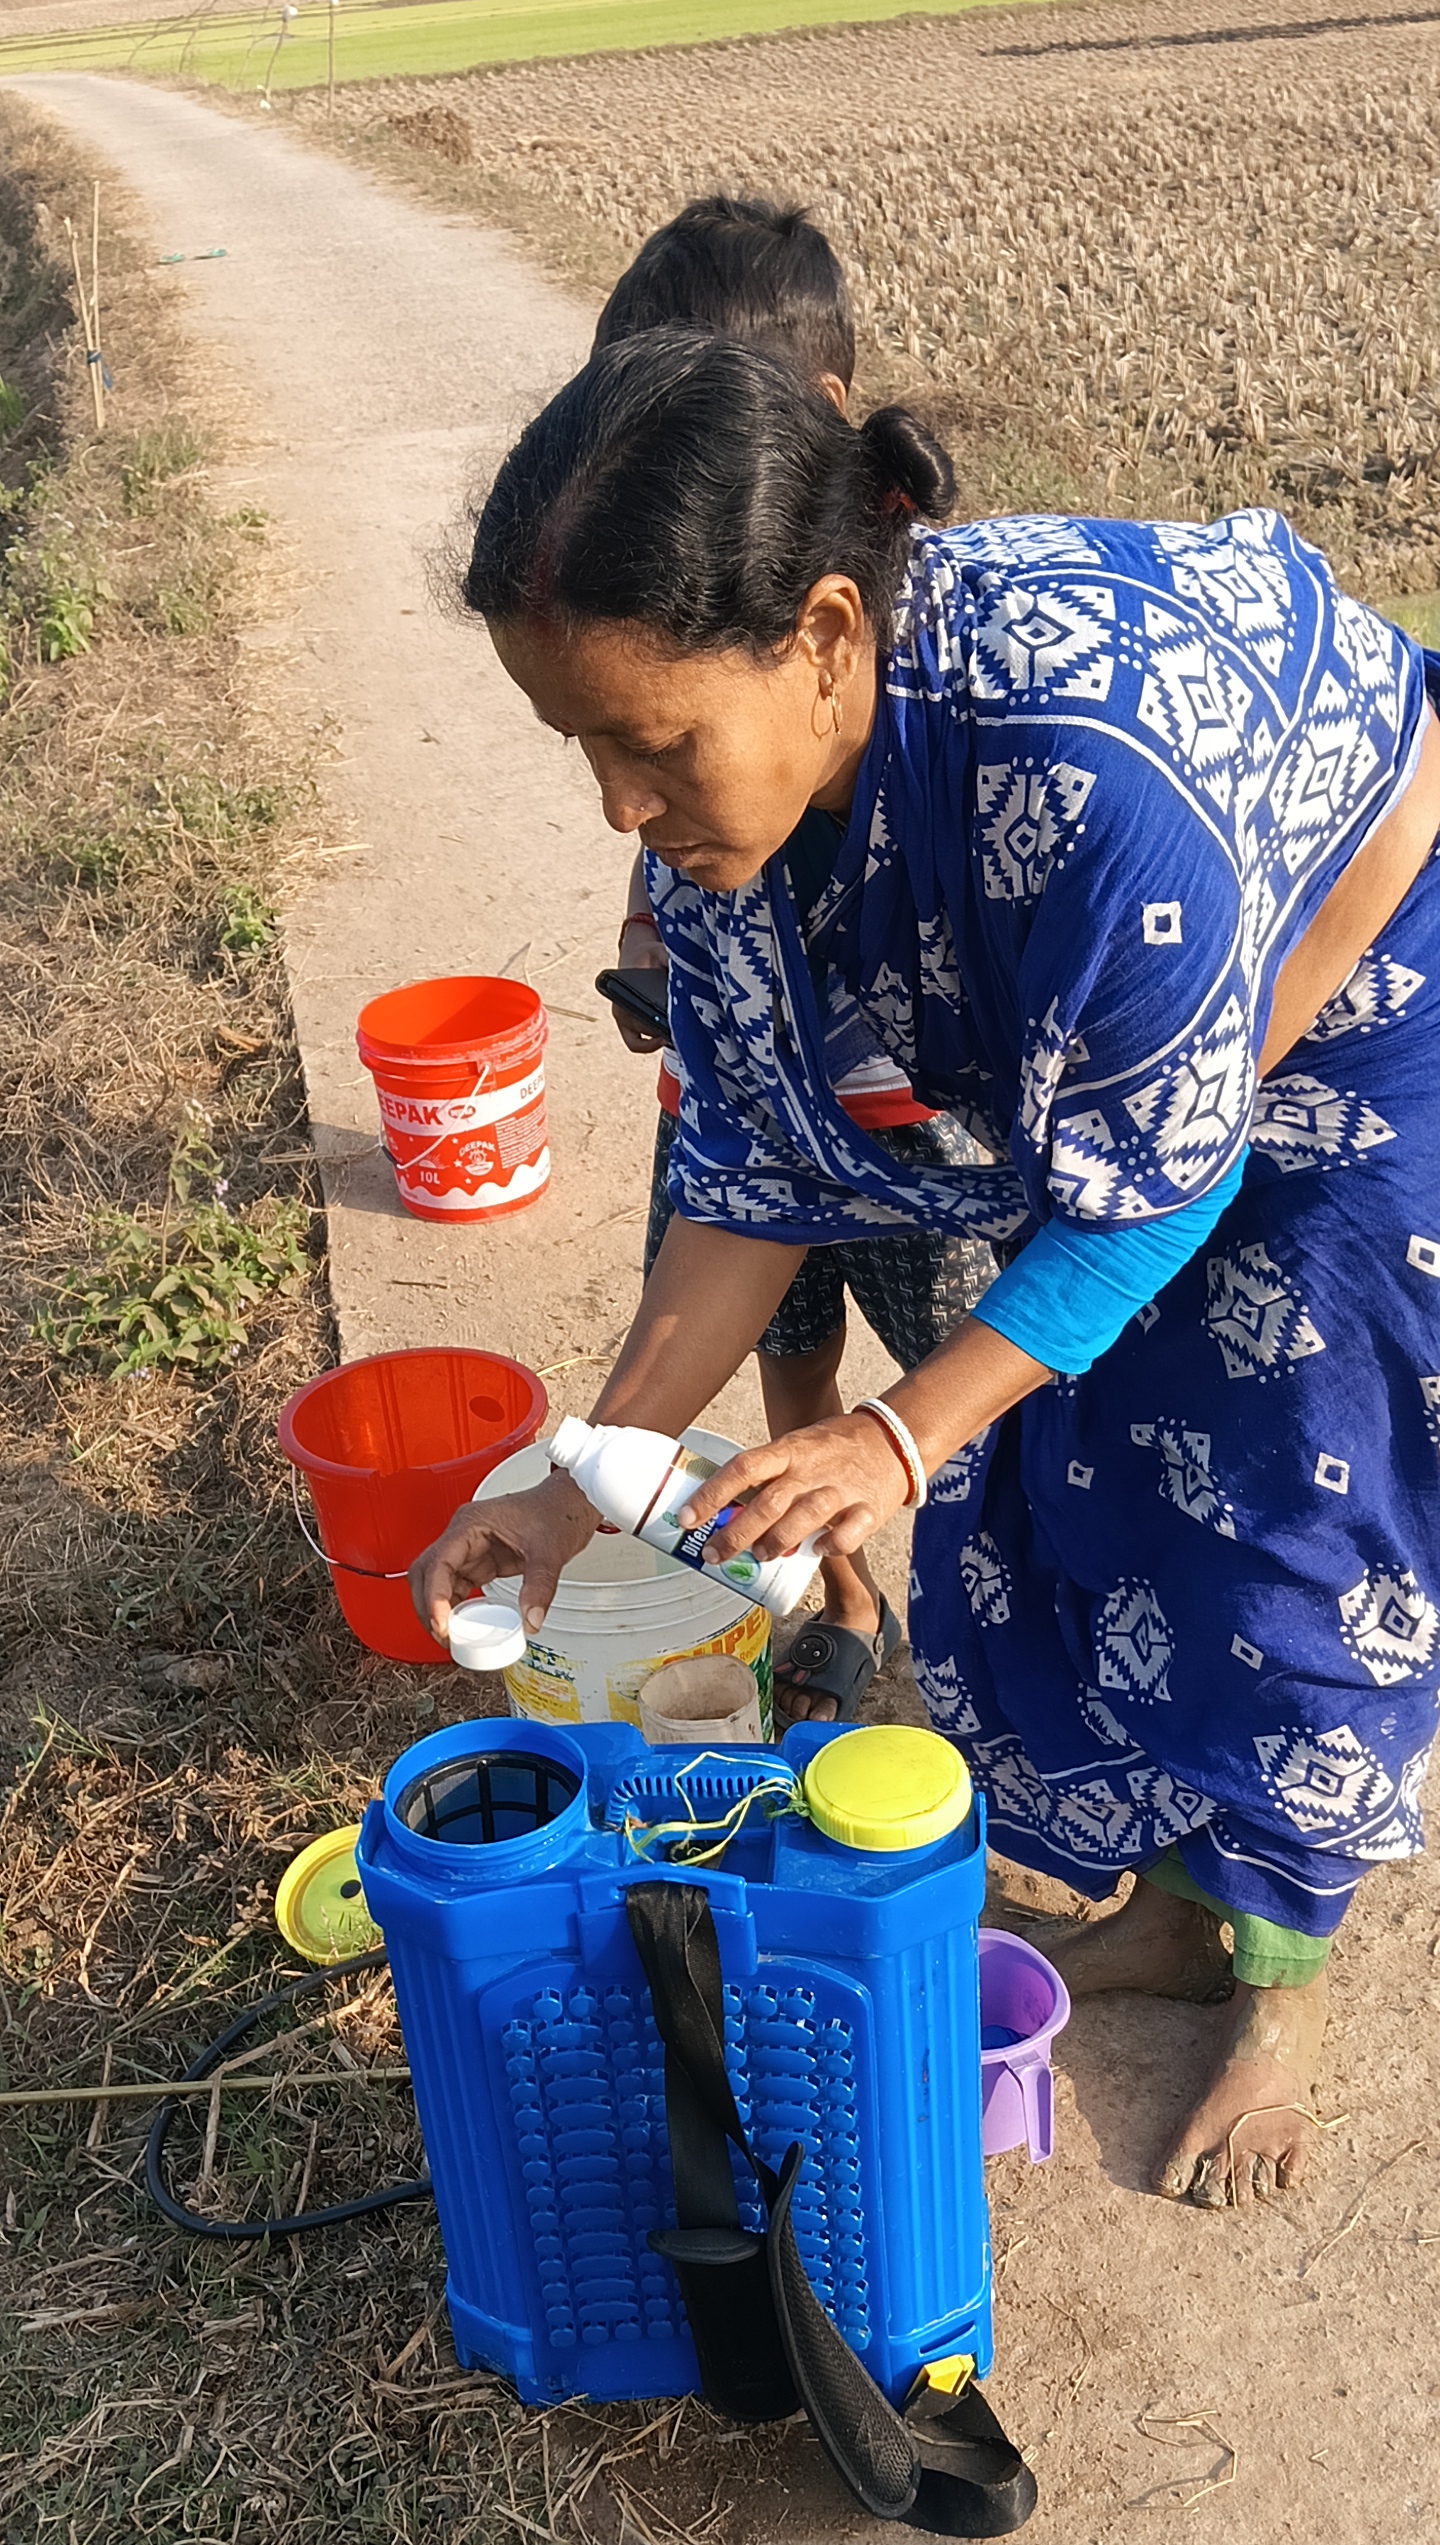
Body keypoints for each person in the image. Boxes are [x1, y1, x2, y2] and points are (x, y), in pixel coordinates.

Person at [413, 328, 1440, 2211]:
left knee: (1294, 1507)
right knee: (1093, 1455)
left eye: (653, 745)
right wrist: (575, 1487)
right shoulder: (734, 848)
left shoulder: (1084, 773)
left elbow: (1142, 1204)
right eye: (582, 748)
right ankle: (1174, 1913)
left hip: (1374, 993)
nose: (618, 811)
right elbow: (750, 1178)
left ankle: (1281, 1989)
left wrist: (898, 1434)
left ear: (824, 635)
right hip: (1159, 1028)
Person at [594, 196, 993, 1724]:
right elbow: (667, 821)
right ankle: (844, 1596)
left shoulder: (927, 693)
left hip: (911, 1129)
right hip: (742, 1106)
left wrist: (908, 1436)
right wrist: (650, 937)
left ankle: (989, 1622)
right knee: (787, 1346)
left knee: (972, 1388)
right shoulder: (689, 709)